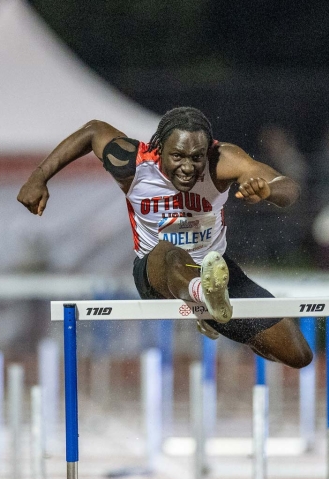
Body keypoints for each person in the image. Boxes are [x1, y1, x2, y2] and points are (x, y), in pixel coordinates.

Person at [17, 107, 312, 368]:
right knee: (169, 252)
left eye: (196, 158)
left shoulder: (222, 159)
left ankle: (211, 310)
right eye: (178, 156)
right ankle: (204, 299)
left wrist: (268, 191)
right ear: (159, 150)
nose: (187, 167)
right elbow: (92, 130)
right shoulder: (133, 163)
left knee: (298, 355)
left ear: (208, 151)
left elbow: (288, 187)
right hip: (156, 271)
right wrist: (38, 177)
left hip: (216, 271)